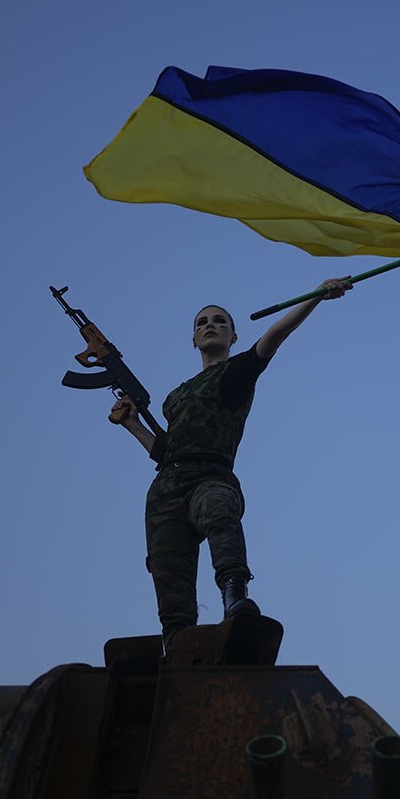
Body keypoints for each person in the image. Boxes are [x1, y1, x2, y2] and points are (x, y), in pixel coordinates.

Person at [110, 277, 352, 647]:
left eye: (220, 321)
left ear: (234, 338)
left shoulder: (237, 371)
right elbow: (165, 451)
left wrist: (318, 296)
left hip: (211, 475)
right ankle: (177, 643)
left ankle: (234, 595)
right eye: (202, 322)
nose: (210, 325)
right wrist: (132, 425)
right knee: (166, 567)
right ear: (193, 339)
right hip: (166, 487)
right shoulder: (175, 396)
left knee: (219, 512)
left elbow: (275, 336)